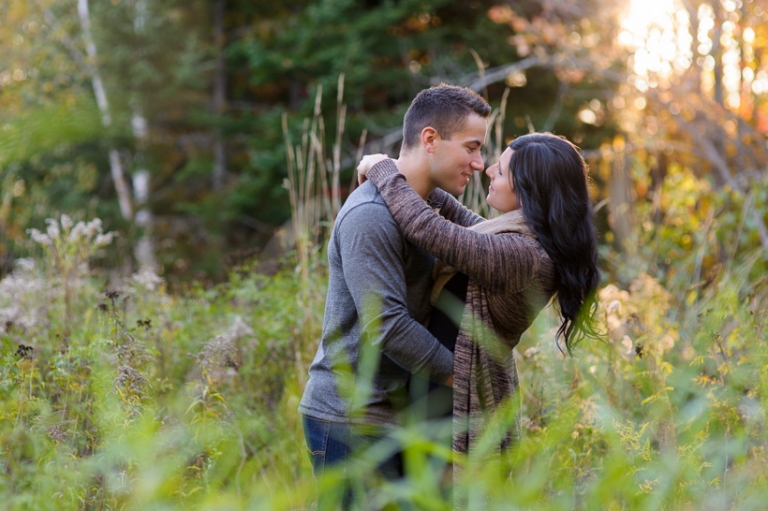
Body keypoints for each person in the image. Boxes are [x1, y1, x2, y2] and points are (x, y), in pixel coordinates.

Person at [357, 133, 600, 481]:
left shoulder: (521, 256)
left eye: (500, 172)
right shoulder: (522, 239)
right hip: (443, 392)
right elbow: (463, 224)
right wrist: (417, 176)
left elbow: (430, 229)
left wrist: (381, 169)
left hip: (453, 405)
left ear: (528, 190)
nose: (486, 170)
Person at [298, 84, 492, 499]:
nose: (479, 163)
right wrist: (464, 376)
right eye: (472, 147)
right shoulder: (370, 216)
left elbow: (492, 246)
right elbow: (386, 325)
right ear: (430, 139)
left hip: (397, 416)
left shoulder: (426, 209)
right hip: (350, 420)